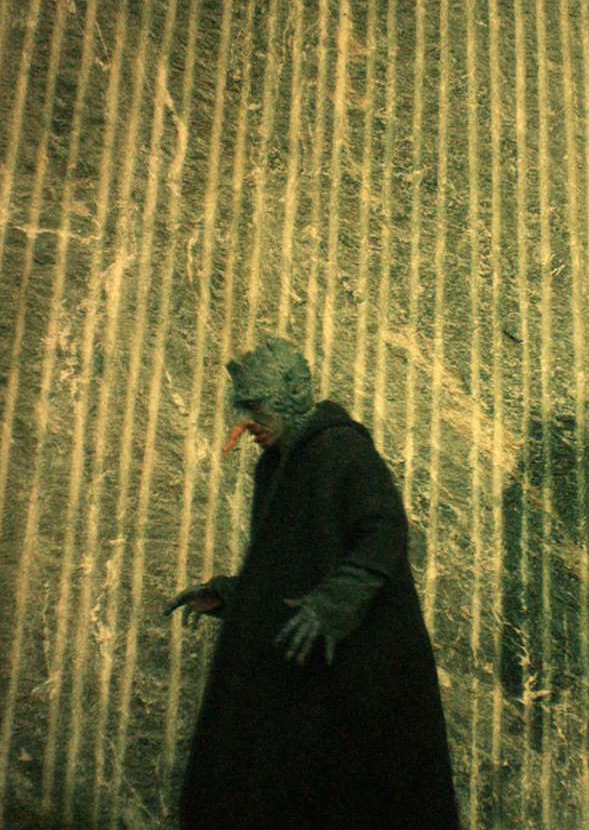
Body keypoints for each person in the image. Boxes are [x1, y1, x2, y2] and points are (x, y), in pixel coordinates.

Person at [167, 338, 460, 829]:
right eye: (241, 407)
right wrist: (233, 596)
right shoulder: (277, 466)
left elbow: (384, 530)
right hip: (314, 673)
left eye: (255, 406)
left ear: (292, 395)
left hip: (359, 675)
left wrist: (333, 603)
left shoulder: (342, 449)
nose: (244, 422)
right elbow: (291, 563)